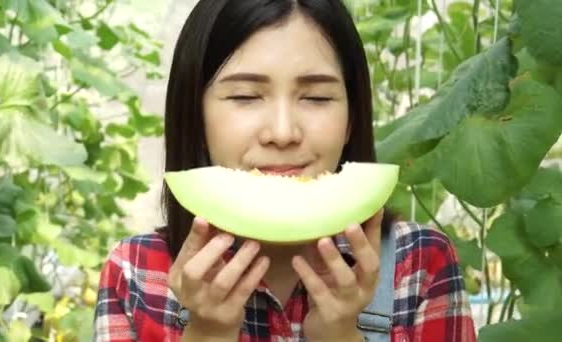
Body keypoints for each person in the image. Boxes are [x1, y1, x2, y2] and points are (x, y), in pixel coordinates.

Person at [94, 0, 477, 341]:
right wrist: (208, 334)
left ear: (351, 120)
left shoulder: (422, 262)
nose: (282, 132)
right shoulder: (136, 272)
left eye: (316, 97)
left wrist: (341, 336)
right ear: (196, 117)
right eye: (245, 97)